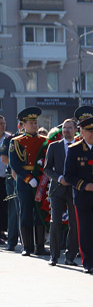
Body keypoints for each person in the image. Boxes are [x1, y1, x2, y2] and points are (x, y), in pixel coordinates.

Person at [63, 114, 93, 274]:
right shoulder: (74, 149)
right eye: (89, 131)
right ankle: (87, 262)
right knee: (85, 229)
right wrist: (84, 185)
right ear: (82, 132)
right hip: (83, 197)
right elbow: (68, 175)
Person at [8, 107, 48, 257]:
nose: (34, 125)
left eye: (35, 122)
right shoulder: (16, 141)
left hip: (40, 180)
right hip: (25, 182)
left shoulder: (44, 141)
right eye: (31, 123)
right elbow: (15, 164)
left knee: (40, 212)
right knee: (25, 213)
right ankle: (27, 246)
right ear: (23, 124)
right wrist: (28, 178)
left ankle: (40, 246)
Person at [43, 118, 79, 266]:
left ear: (75, 130)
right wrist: (59, 178)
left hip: (74, 189)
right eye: (64, 128)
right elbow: (47, 169)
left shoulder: (79, 146)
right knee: (55, 222)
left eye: (69, 128)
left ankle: (70, 256)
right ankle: (54, 256)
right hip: (57, 189)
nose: (66, 130)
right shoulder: (54, 146)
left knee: (74, 223)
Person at [0, 115, 10, 246]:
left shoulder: (8, 138)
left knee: (3, 206)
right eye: (0, 124)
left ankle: (2, 231)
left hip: (4, 177)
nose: (3, 126)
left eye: (4, 123)